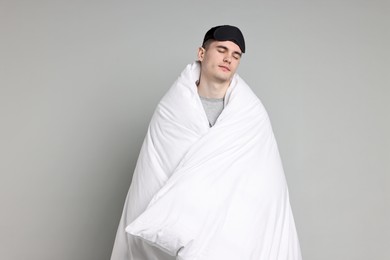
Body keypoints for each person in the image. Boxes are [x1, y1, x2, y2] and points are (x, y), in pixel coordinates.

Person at [111, 25, 302, 260]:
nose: (228, 59)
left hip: (232, 226)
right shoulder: (171, 111)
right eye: (222, 49)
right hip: (180, 230)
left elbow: (266, 184)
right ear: (202, 53)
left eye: (235, 55)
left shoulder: (251, 115)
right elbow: (153, 173)